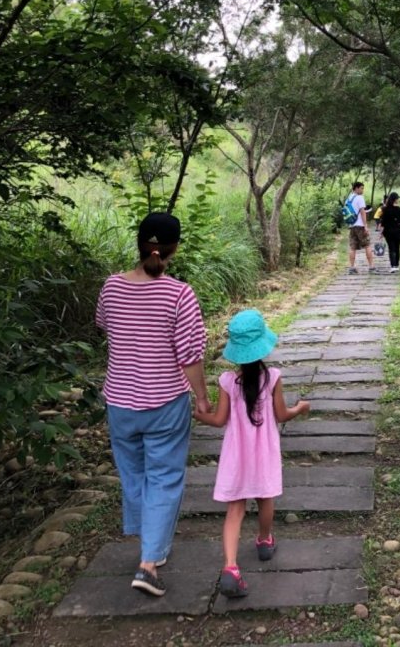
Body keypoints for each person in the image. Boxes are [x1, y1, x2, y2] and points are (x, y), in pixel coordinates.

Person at [96, 211, 209, 598]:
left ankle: (150, 546)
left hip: (120, 403)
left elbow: (105, 326)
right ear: (174, 249)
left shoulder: (111, 287)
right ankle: (148, 564)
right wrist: (204, 397)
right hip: (164, 402)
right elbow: (190, 356)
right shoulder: (179, 294)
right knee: (164, 476)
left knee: (134, 475)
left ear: (140, 243)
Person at [194, 309, 310, 597]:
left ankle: (231, 566)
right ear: (262, 346)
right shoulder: (272, 378)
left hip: (236, 456)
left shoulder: (226, 381)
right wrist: (300, 408)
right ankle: (264, 540)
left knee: (234, 510)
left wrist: (198, 416)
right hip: (263, 454)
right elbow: (281, 415)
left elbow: (219, 420)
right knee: (265, 498)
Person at [346, 180, 377, 275]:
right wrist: (365, 225)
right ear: (356, 188)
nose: (363, 190)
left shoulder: (348, 198)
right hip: (360, 225)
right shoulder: (360, 198)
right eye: (361, 188)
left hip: (352, 226)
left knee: (352, 247)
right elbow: (363, 212)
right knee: (367, 245)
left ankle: (351, 267)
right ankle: (371, 267)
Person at [380, 192, 400, 273]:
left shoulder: (385, 209)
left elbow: (383, 223)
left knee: (391, 249)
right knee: (397, 248)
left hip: (388, 232)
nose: (398, 200)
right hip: (398, 232)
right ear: (395, 199)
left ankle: (393, 266)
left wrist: (381, 233)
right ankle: (396, 265)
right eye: (398, 198)